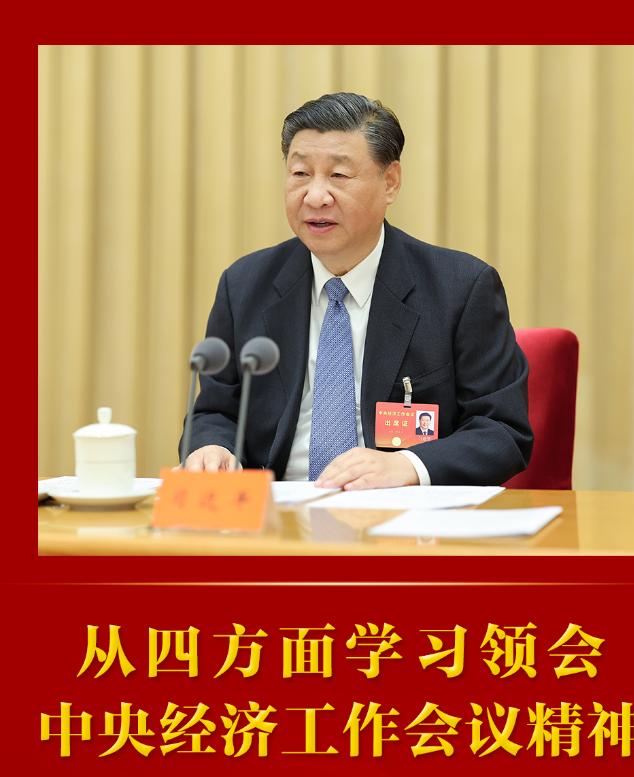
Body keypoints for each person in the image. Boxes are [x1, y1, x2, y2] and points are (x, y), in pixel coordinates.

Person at [181, 92, 532, 489]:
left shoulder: (460, 289)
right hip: (275, 510)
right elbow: (216, 411)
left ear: (390, 182)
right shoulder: (245, 285)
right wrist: (212, 447)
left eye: (339, 176)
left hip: (400, 514)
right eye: (300, 173)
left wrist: (408, 465)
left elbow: (502, 431)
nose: (315, 196)